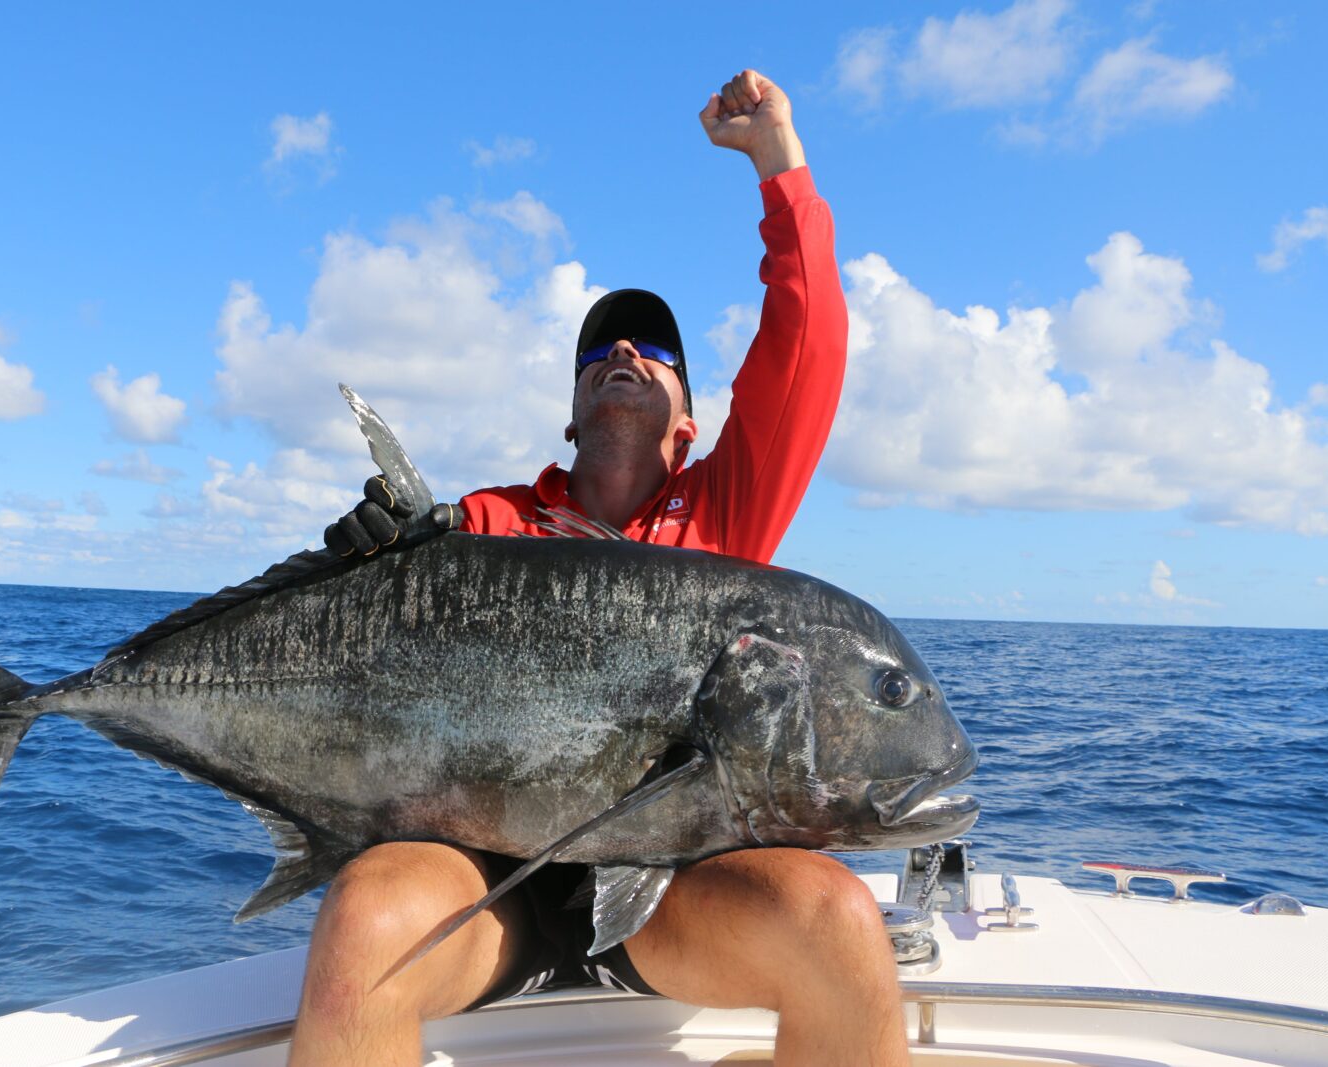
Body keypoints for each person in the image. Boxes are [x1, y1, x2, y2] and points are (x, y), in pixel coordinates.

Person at [300, 71, 909, 1067]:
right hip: (487, 877)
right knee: (363, 922)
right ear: (572, 414)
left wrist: (778, 163)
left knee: (838, 922)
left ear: (688, 420)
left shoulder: (726, 513)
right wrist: (367, 575)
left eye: (655, 347)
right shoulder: (489, 525)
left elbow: (807, 348)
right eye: (600, 348)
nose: (624, 347)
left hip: (668, 894)